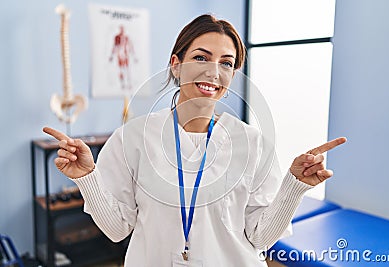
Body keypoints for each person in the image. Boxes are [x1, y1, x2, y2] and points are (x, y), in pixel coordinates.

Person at [43, 14, 346, 267]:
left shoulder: (252, 143)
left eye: (226, 63)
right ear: (176, 64)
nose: (213, 71)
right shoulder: (132, 138)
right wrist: (87, 178)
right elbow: (116, 229)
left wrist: (294, 186)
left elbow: (261, 238)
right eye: (201, 57)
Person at [109, 25, 136, 90]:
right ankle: (123, 84)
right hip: (120, 55)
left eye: (123, 29)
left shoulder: (126, 37)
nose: (122, 30)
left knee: (127, 70)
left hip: (126, 55)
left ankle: (129, 84)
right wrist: (112, 56)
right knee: (121, 70)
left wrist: (134, 56)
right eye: (121, 29)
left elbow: (130, 46)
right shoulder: (117, 37)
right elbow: (114, 46)